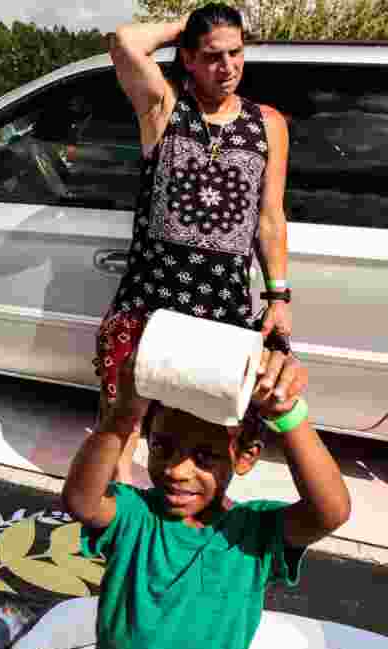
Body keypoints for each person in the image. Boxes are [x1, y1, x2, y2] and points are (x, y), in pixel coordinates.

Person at [61, 342, 351, 649]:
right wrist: (124, 412)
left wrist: (287, 415)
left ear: (246, 456)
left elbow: (330, 512)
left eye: (203, 458)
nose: (176, 470)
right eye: (161, 448)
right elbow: (81, 501)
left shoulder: (254, 531)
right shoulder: (135, 514)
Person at [96, 3, 293, 481]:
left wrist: (278, 294)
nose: (227, 67)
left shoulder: (267, 124)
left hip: (221, 304)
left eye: (236, 52)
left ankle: (186, 513)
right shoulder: (163, 108)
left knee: (205, 431)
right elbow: (124, 42)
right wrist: (187, 26)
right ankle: (117, 511)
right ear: (186, 58)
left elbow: (269, 219)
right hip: (150, 297)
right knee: (123, 420)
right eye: (212, 56)